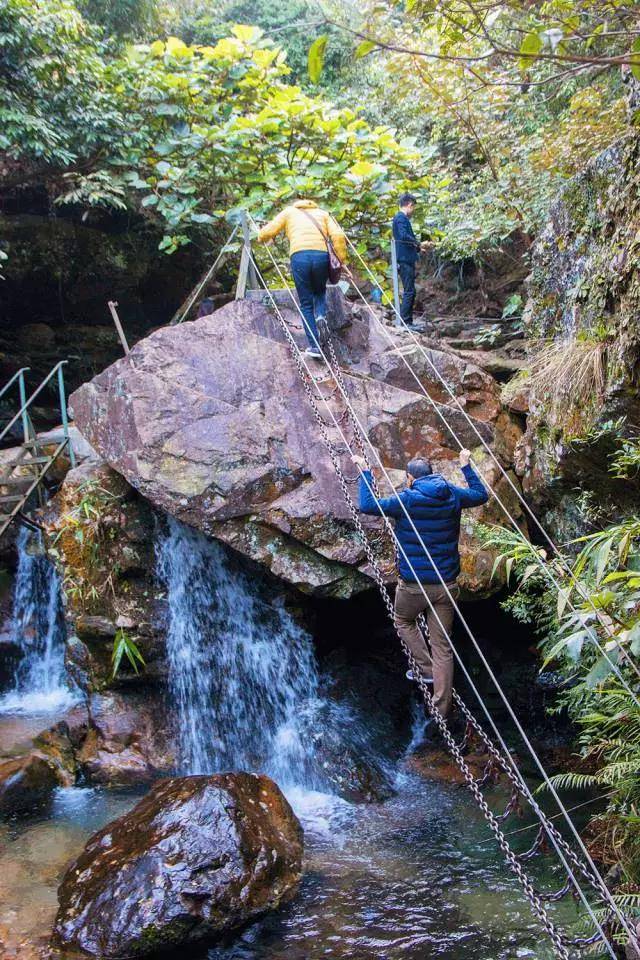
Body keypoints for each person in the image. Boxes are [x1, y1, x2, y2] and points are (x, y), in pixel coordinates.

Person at [353, 448, 488, 728]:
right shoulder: (452, 495)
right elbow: (481, 495)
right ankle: (442, 709)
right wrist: (465, 466)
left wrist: (365, 471)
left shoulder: (407, 499)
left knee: (403, 620)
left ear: (411, 479)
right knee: (443, 647)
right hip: (446, 586)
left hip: (414, 586)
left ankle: (425, 670)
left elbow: (368, 506)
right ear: (433, 474)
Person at [258, 199, 347, 360]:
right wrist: (340, 259)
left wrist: (260, 237)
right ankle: (320, 316)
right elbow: (338, 235)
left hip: (299, 257)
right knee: (320, 291)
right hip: (321, 256)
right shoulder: (323, 214)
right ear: (313, 204)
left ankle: (315, 346)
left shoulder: (289, 212)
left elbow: (268, 231)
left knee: (306, 303)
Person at [392, 193, 432, 327]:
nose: (413, 210)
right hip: (404, 260)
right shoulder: (400, 218)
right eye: (413, 207)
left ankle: (407, 321)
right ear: (409, 205)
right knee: (409, 291)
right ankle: (405, 322)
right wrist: (419, 243)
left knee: (410, 290)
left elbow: (405, 241)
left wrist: (419, 249)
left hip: (406, 257)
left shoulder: (401, 218)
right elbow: (403, 236)